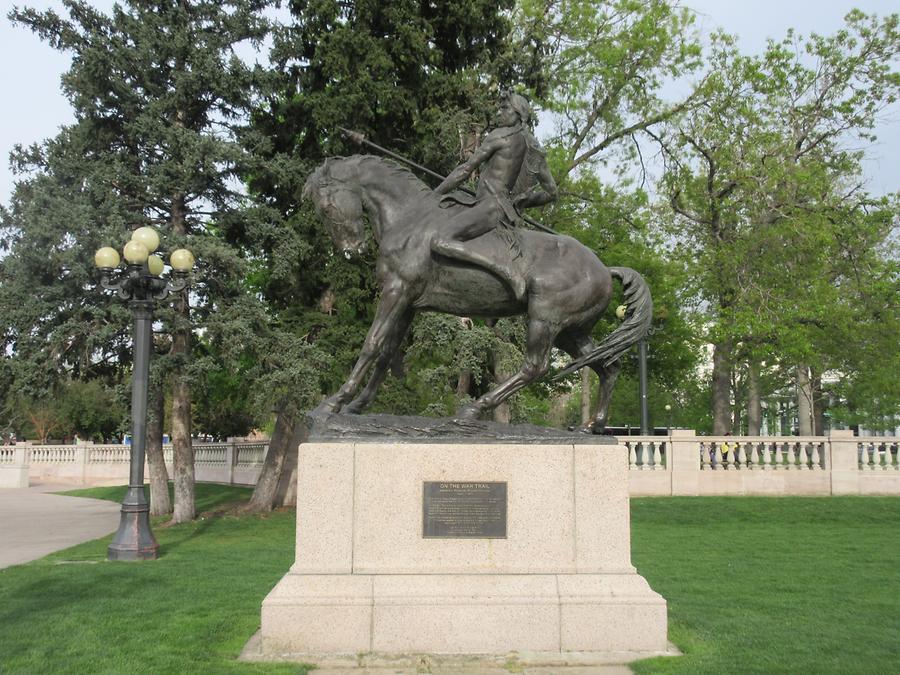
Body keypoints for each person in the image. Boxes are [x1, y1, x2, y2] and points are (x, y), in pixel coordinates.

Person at [432, 90, 557, 300]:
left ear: (518, 113)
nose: (500, 113)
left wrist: (434, 194)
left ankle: (505, 271)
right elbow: (552, 193)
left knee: (441, 239)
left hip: (490, 207)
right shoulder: (533, 148)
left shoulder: (499, 137)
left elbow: (466, 170)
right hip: (508, 215)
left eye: (505, 108)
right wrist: (524, 201)